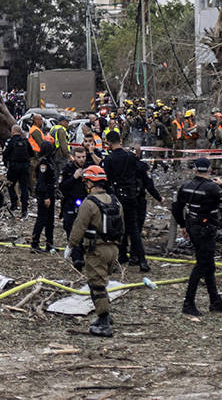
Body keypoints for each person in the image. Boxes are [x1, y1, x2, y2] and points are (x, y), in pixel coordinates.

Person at [172, 157, 222, 316]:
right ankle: (188, 303)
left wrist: (182, 225)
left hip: (193, 226)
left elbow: (176, 207)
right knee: (202, 265)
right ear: (209, 170)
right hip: (206, 229)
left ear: (195, 170)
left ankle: (215, 301)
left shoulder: (186, 186)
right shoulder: (213, 188)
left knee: (209, 265)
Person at [68, 165, 122, 338]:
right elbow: (123, 226)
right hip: (113, 249)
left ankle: (104, 321)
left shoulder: (89, 203)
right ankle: (105, 313)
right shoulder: (115, 201)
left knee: (96, 285)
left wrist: (71, 246)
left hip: (97, 250)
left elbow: (79, 226)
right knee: (103, 281)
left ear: (91, 182)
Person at [101, 130, 148, 272]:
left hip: (117, 198)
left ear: (109, 143)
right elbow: (142, 168)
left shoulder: (109, 160)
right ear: (120, 140)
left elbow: (106, 179)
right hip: (131, 196)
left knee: (115, 229)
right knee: (134, 231)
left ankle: (115, 261)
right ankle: (142, 261)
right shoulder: (130, 157)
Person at [60, 147, 90, 269]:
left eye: (83, 157)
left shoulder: (89, 168)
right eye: (79, 157)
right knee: (71, 229)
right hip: (70, 203)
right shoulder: (68, 169)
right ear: (74, 157)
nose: (81, 159)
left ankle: (82, 253)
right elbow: (62, 187)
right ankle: (77, 258)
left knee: (85, 231)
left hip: (86, 203)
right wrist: (74, 177)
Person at [1, 125, 31, 217]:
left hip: (13, 167)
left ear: (13, 131)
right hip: (25, 167)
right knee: (24, 188)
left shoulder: (10, 141)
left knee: (10, 184)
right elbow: (32, 153)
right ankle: (24, 209)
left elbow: (5, 154)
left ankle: (14, 204)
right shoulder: (25, 141)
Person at [30, 153, 56, 252]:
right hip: (44, 195)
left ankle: (50, 244)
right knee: (41, 220)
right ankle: (35, 243)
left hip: (50, 193)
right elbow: (42, 181)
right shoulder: (43, 163)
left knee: (50, 221)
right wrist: (46, 197)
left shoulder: (49, 161)